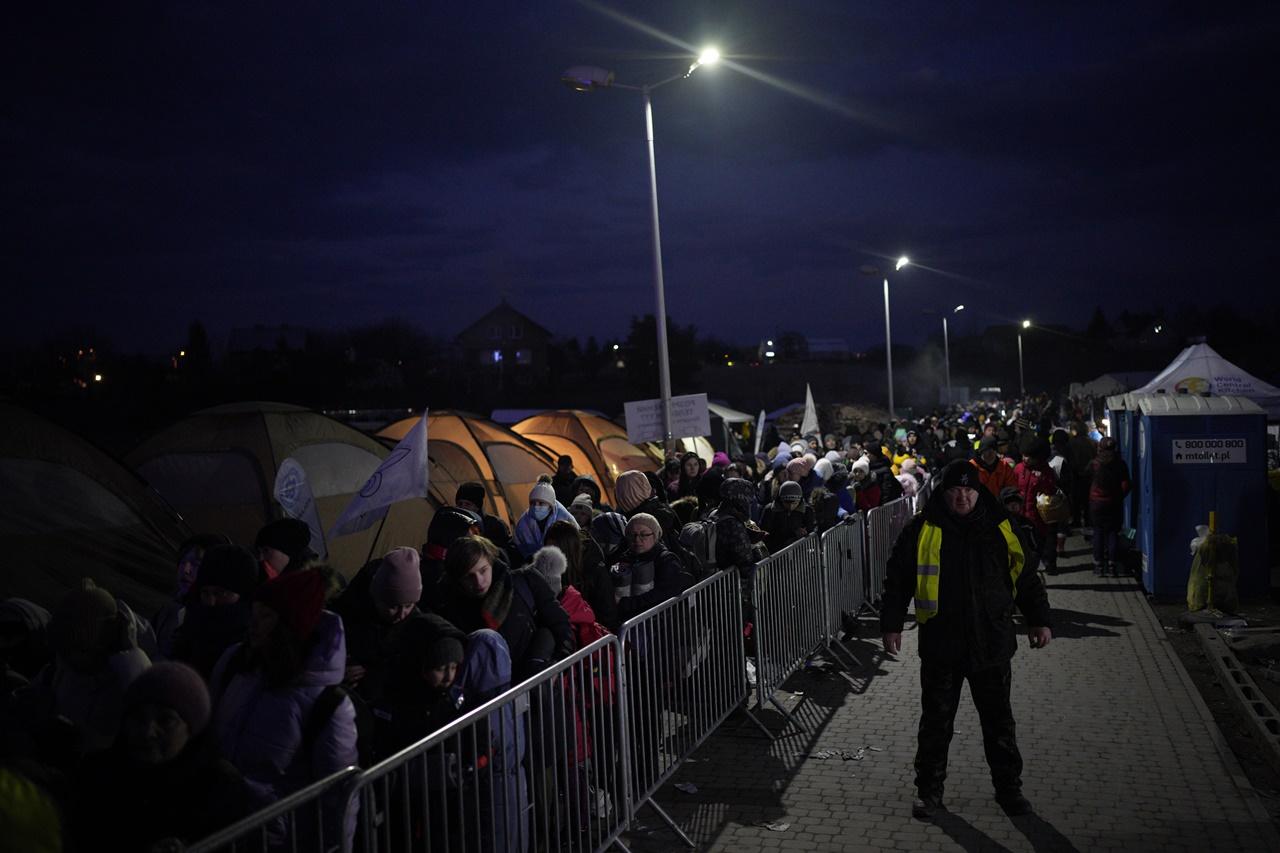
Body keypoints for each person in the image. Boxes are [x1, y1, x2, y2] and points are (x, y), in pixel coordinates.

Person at [881, 461, 1052, 820]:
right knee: (936, 723)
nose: (962, 497)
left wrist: (1039, 619)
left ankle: (1009, 789)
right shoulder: (922, 528)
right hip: (941, 644)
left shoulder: (1001, 526)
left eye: (969, 490)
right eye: (955, 491)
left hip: (991, 642)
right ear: (943, 492)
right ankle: (929, 792)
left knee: (999, 722)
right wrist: (891, 624)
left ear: (979, 491)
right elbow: (897, 578)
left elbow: (1025, 576)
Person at [210, 569, 359, 836]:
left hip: (271, 837)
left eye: (266, 616)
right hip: (214, 819)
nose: (253, 624)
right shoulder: (236, 661)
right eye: (254, 613)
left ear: (290, 626)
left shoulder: (328, 706)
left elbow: (338, 797)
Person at [73, 662, 253, 851]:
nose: (148, 732)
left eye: (166, 720)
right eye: (138, 717)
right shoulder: (99, 774)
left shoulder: (218, 787)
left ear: (192, 728)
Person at [435, 536, 575, 681]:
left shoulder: (525, 581)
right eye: (469, 576)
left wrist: (558, 667)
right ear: (457, 579)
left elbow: (560, 624)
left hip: (539, 683)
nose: (479, 581)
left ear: (491, 562)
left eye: (483, 570)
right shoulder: (451, 611)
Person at [171, 544, 259, 680]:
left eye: (221, 593)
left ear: (243, 596)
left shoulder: (248, 651)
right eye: (205, 593)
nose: (211, 602)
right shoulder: (188, 629)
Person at [610, 514, 694, 625]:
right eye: (632, 535)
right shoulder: (623, 558)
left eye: (644, 535)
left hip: (660, 625)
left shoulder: (666, 560)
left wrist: (625, 604)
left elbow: (662, 594)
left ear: (655, 536)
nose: (637, 539)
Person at [1013, 438, 1059, 574]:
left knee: (1039, 544)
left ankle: (1045, 565)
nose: (1025, 459)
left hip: (1038, 517)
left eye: (1029, 457)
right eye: (1024, 455)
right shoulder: (1018, 468)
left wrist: (1042, 479)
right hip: (1020, 515)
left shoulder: (1046, 471)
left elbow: (1051, 491)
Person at [1088, 436, 1131, 577]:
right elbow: (1126, 485)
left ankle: (1098, 566)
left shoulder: (1094, 463)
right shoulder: (1120, 464)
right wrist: (1119, 497)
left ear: (1100, 448)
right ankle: (1112, 565)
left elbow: (1085, 480)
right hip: (1113, 502)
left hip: (1096, 503)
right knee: (1113, 533)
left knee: (1098, 532)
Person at [454, 481, 519, 562]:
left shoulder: (495, 525)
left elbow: (508, 553)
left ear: (477, 507)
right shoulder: (453, 525)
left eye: (468, 504)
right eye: (460, 504)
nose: (462, 508)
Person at [513, 482, 578, 558]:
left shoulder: (565, 518)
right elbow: (518, 546)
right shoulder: (523, 523)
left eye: (541, 503)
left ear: (550, 506)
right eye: (533, 503)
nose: (536, 506)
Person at [761, 480, 813, 551]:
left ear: (800, 500)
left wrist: (804, 534)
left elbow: (811, 532)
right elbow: (764, 533)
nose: (791, 506)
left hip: (799, 552)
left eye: (794, 503)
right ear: (781, 499)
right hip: (776, 551)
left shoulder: (807, 511)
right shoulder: (770, 510)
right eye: (787, 503)